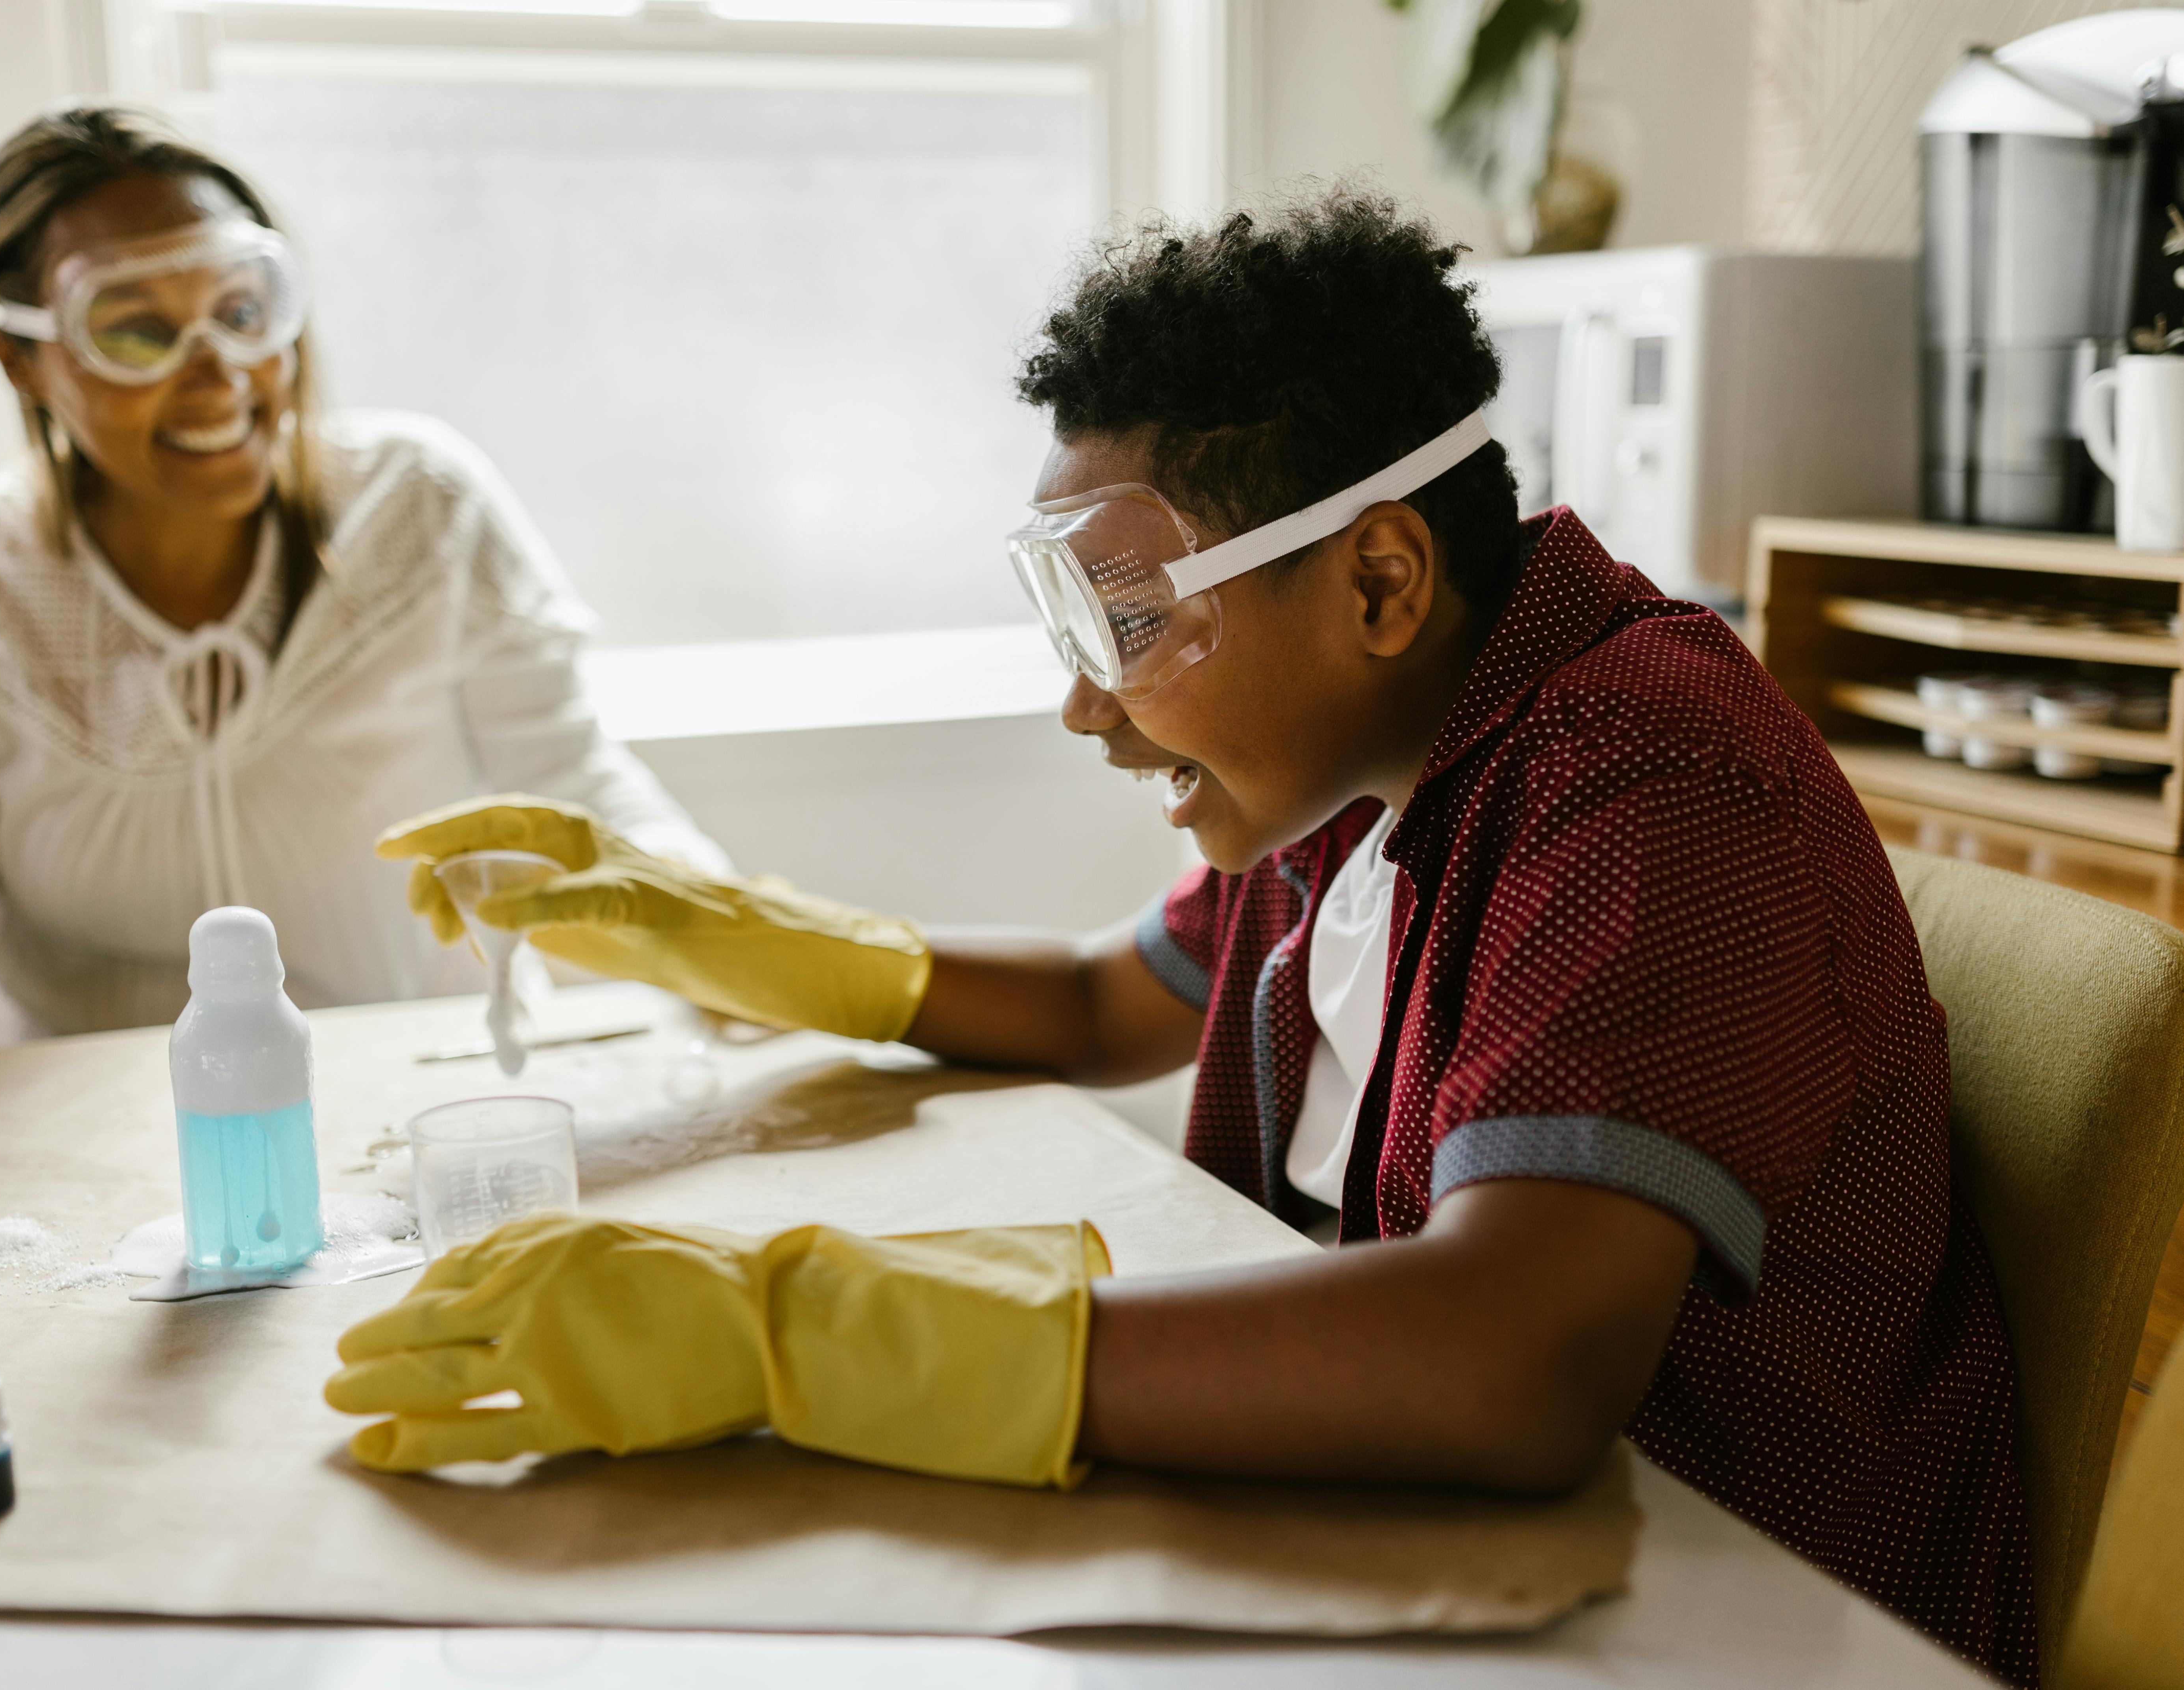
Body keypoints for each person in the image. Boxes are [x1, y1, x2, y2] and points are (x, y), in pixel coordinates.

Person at [327, 191, 2034, 1683]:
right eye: (1071, 619)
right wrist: (711, 928)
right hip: (1471, 1564)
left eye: (1130, 621)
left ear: (1373, 581)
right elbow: (1098, 998)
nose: (1083, 702)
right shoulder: (1382, 756)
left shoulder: (1638, 784)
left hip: (1749, 1620)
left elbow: (1507, 1361)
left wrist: (802, 1333)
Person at [0, 106, 721, 1098]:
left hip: (431, 1107)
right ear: (22, 359)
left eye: (243, 313)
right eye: (137, 332)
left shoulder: (422, 507)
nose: (218, 376)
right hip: (91, 1161)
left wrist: (743, 927)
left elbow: (580, 801)